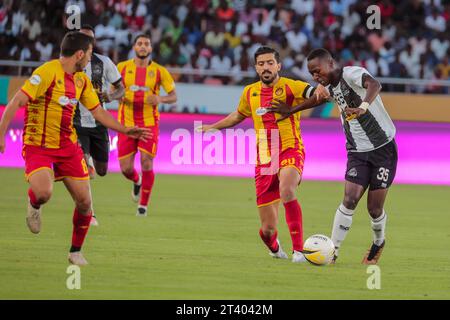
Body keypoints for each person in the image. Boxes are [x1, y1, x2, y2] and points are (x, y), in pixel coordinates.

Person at [0, 31, 150, 266]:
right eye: (89, 55)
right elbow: (16, 102)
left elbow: (98, 111)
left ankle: (75, 252)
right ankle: (34, 204)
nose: (91, 59)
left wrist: (124, 129)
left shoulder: (81, 80)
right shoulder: (47, 72)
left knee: (84, 203)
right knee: (43, 193)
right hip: (39, 145)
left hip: (68, 147)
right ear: (79, 54)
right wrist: (1, 135)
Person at [269, 48, 397, 265]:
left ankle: (379, 241)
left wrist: (363, 107)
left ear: (330, 63)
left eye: (317, 71)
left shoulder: (352, 74)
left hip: (383, 149)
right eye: (312, 74)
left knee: (374, 209)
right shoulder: (327, 86)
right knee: (349, 199)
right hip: (356, 151)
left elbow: (375, 85)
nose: (315, 77)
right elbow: (318, 100)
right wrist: (290, 110)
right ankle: (333, 252)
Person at [197, 46, 321, 263]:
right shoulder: (250, 92)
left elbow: (319, 95)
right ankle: (274, 248)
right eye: (261, 63)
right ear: (256, 67)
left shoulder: (291, 86)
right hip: (265, 158)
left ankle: (298, 251)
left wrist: (308, 99)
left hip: (290, 148)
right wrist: (213, 127)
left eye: (270, 63)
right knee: (268, 229)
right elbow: (237, 115)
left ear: (278, 65)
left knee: (287, 189)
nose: (266, 67)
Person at [116, 34, 177, 216]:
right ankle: (137, 180)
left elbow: (174, 96)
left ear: (151, 49)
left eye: (146, 44)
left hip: (149, 123)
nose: (143, 46)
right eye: (140, 43)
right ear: (134, 47)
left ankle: (143, 206)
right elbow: (113, 91)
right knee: (126, 169)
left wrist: (160, 98)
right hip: (126, 124)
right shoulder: (121, 68)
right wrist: (118, 96)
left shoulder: (160, 71)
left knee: (146, 162)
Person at [74, 24, 125, 227]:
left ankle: (93, 163)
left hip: (98, 122)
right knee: (83, 168)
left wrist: (110, 95)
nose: (88, 43)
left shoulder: (103, 63)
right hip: (76, 123)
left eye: (90, 39)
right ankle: (90, 213)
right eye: (83, 38)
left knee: (102, 170)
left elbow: (121, 88)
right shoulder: (70, 64)